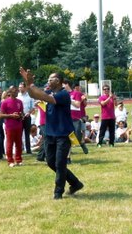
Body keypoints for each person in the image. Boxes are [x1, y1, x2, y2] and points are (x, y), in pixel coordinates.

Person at [20, 67, 84, 200]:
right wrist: (27, 83)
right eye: (48, 78)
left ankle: (58, 192)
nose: (48, 81)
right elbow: (34, 95)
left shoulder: (63, 94)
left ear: (59, 81)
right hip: (50, 133)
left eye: (51, 79)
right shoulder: (49, 91)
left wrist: (31, 84)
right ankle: (75, 183)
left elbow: (45, 97)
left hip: (63, 134)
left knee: (60, 163)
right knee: (50, 162)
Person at [0, 86, 24, 167]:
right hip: (9, 126)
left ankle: (18, 159)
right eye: (15, 90)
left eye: (17, 90)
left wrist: (20, 115)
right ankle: (10, 161)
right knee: (10, 143)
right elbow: (1, 115)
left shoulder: (19, 102)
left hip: (18, 125)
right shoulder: (5, 102)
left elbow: (22, 113)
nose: (17, 91)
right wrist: (11, 115)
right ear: (10, 92)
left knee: (19, 143)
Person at [63, 80, 88, 154]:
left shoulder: (77, 93)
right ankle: (68, 156)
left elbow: (77, 105)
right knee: (68, 137)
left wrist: (69, 99)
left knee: (77, 135)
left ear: (67, 84)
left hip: (76, 119)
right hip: (66, 119)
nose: (62, 86)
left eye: (63, 84)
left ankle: (81, 143)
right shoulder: (63, 94)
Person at [17, 82, 35, 154]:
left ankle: (28, 149)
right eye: (19, 87)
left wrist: (29, 113)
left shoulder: (29, 96)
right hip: (19, 117)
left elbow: (33, 107)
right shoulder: (17, 96)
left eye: (21, 87)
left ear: (25, 88)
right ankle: (20, 149)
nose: (20, 88)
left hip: (27, 116)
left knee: (27, 134)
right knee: (19, 134)